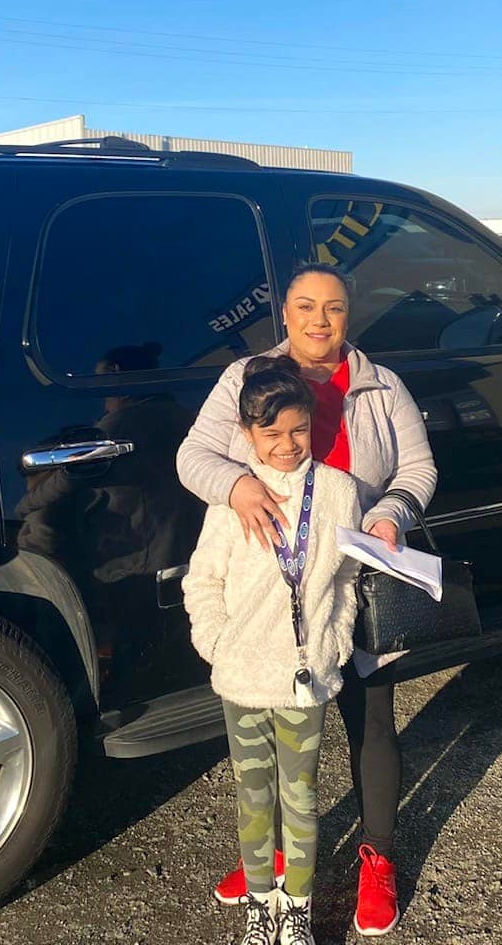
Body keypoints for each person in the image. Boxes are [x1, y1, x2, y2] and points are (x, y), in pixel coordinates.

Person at [178, 263, 437, 937]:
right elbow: (194, 455)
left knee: (371, 720)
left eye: (335, 307)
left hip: (352, 572)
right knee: (273, 757)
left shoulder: (381, 383)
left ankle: (376, 857)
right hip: (271, 591)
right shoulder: (247, 378)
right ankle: (268, 863)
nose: (320, 320)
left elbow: (418, 467)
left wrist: (391, 514)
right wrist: (236, 485)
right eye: (305, 306)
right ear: (285, 313)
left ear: (350, 314)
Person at [183, 355, 363, 945]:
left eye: (298, 430)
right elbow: (202, 581)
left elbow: (346, 578)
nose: (287, 445)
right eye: (271, 434)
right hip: (242, 678)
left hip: (305, 678)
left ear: (312, 424)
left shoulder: (337, 492)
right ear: (246, 434)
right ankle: (261, 908)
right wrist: (218, 646)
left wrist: (334, 641)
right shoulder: (232, 499)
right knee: (254, 800)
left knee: (301, 797)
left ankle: (297, 912)